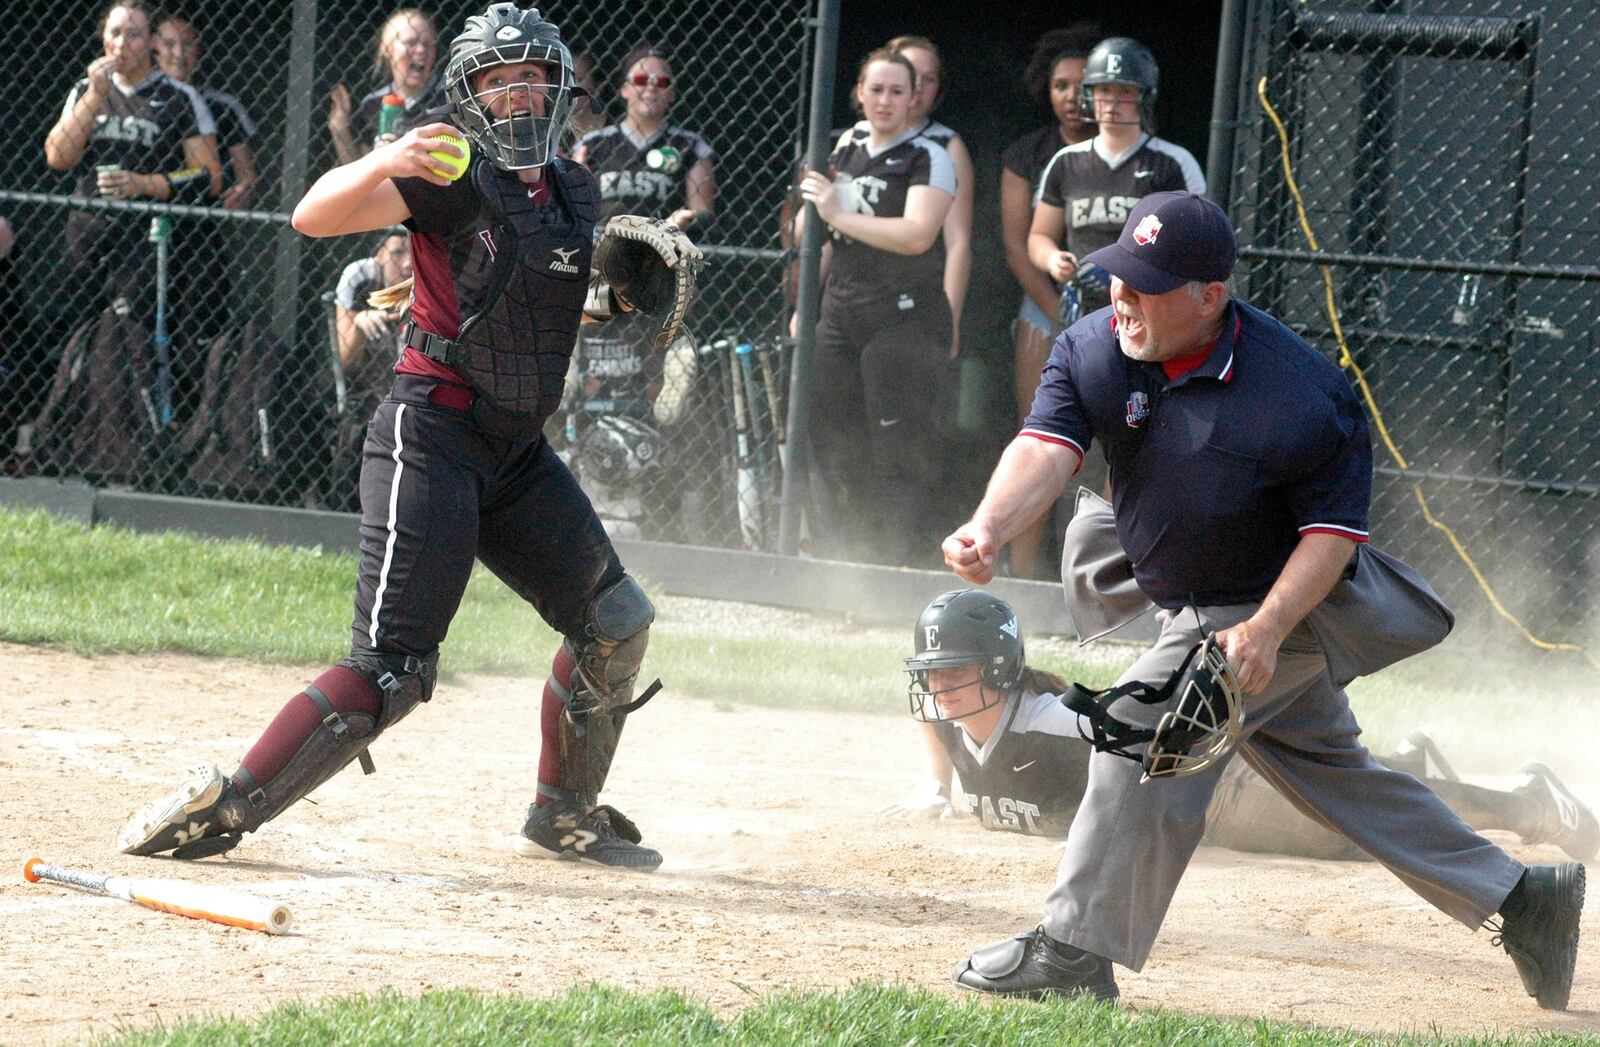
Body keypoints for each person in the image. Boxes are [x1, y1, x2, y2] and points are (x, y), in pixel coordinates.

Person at [941, 191, 1585, 1009]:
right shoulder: (1096, 347)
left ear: (1212, 295)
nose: (1123, 299)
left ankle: (1075, 949)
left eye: (1147, 285)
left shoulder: (1302, 394)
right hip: (1192, 594)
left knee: (1145, 730)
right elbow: (1046, 445)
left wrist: (1268, 629)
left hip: (1278, 606)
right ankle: (1526, 898)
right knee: (1337, 776)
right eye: (1117, 279)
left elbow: (1330, 538)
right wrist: (989, 527)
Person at [117, 3, 684, 872]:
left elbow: (546, 291)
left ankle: (562, 814)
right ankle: (229, 805)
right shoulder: (445, 169)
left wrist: (614, 294)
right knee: (393, 671)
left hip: (515, 450)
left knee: (615, 619)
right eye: (499, 81)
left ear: (561, 85)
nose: (519, 94)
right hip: (434, 434)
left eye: (532, 75)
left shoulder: (576, 187)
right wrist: (384, 155)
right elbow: (310, 216)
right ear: (473, 96)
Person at [889, 590, 1599, 864]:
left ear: (1003, 669)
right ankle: (1405, 759)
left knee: (1365, 829)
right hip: (1201, 805)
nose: (941, 687)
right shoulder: (954, 719)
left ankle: (1525, 799)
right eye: (934, 673)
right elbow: (935, 730)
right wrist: (934, 788)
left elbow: (1155, 731)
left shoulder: (1054, 720)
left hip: (1216, 788)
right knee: (1365, 805)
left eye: (957, 671)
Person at [39, 0, 223, 481]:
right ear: (103, 39)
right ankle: (61, 439)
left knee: (135, 338)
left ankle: (131, 449)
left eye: (136, 35)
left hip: (146, 241)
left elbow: (209, 175)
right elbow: (58, 156)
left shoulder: (179, 97)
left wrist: (149, 184)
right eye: (116, 33)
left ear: (152, 44)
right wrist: (95, 96)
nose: (124, 44)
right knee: (72, 330)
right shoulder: (87, 88)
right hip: (87, 230)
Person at [796, 48, 956, 567]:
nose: (884, 100)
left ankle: (890, 566)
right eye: (876, 89)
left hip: (905, 318)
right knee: (834, 440)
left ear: (915, 98)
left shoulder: (929, 154)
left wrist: (838, 211)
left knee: (895, 447)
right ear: (859, 93)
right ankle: (843, 564)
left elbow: (916, 235)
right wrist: (805, 297)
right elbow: (811, 233)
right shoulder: (843, 146)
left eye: (897, 91)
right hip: (840, 312)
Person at [568, 44, 713, 539]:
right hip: (598, 274)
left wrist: (675, 225)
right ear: (625, 88)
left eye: (662, 81)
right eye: (641, 80)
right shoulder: (597, 143)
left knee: (661, 399)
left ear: (672, 93)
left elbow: (701, 204)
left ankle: (656, 501)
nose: (651, 88)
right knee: (580, 383)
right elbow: (573, 202)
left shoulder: (690, 146)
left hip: (656, 279)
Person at [999, 25, 1100, 579]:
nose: (1074, 97)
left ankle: (1088, 579)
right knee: (1036, 438)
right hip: (1046, 308)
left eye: (1085, 86)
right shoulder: (1029, 153)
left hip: (1120, 314)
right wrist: (1063, 315)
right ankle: (1020, 574)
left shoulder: (1133, 152)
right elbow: (1017, 247)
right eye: (1062, 85)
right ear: (1048, 90)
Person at [1027, 38, 1203, 326]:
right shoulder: (1065, 162)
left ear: (1144, 97)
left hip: (1147, 311)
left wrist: (1131, 272)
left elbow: (1196, 242)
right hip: (1084, 311)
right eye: (1104, 90)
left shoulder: (1173, 162)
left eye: (1125, 91)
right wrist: (1053, 260)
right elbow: (1039, 236)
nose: (1112, 101)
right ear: (1089, 95)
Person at [885, 36, 972, 362]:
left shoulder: (947, 145)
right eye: (910, 73)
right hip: (851, 300)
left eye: (929, 78)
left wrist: (948, 320)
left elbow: (958, 243)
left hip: (917, 303)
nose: (918, 86)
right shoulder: (855, 140)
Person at [324, 230, 412, 511]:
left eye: (414, 250)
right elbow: (347, 363)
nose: (409, 262)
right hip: (369, 389)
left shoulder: (431, 276)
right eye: (398, 252)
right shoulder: (361, 276)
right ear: (380, 253)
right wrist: (360, 321)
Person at [328, 8, 446, 167]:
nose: (421, 50)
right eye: (410, 42)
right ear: (387, 49)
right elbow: (360, 174)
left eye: (427, 44)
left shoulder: (447, 98)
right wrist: (339, 128)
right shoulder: (373, 103)